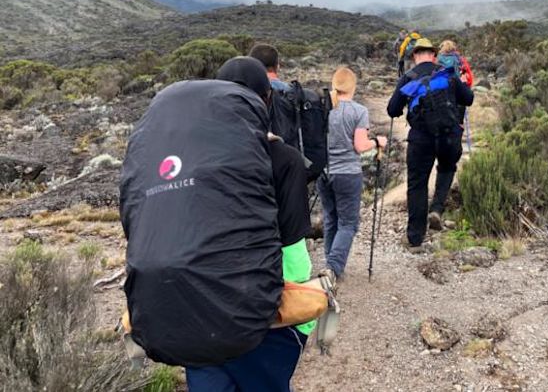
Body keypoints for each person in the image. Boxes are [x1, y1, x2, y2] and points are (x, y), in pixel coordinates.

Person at [120, 56, 313, 392]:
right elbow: (294, 248)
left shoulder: (185, 156)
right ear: (265, 101)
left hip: (184, 307)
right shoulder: (283, 160)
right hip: (256, 313)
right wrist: (303, 321)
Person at [387, 38, 474, 251]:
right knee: (447, 168)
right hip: (449, 135)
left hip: (421, 139)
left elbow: (392, 110)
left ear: (415, 56)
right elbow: (468, 98)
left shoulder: (408, 77)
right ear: (433, 55)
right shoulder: (448, 73)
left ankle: (416, 238)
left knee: (417, 183)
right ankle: (436, 209)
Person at [316, 67, 386, 282]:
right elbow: (360, 145)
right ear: (353, 86)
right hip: (347, 173)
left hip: (324, 171)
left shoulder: (322, 110)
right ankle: (333, 268)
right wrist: (377, 142)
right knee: (348, 223)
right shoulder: (358, 111)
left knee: (331, 219)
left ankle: (330, 262)